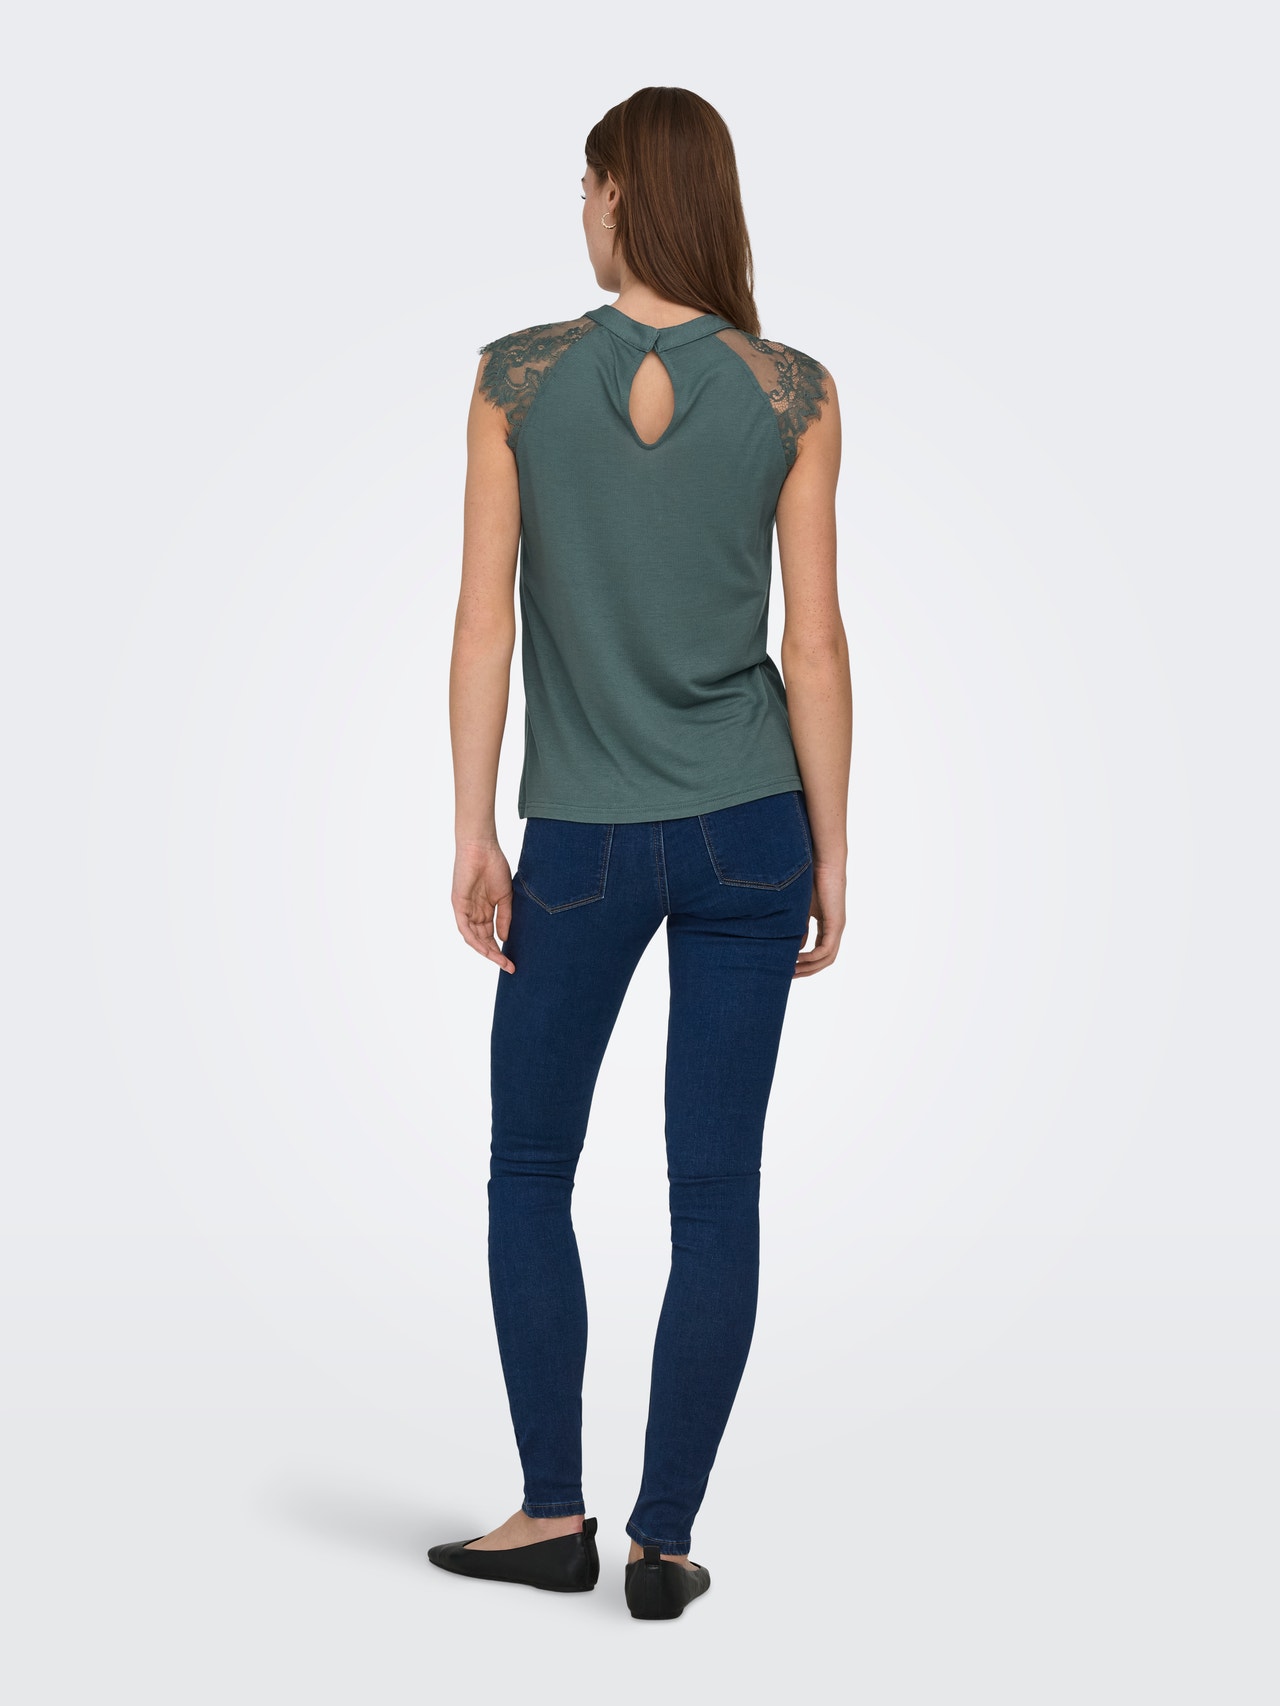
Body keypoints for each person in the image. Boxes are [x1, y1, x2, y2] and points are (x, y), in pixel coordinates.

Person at [431, 85, 850, 1620]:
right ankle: (663, 1545)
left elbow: (484, 621)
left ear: (622, 194)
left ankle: (552, 1512)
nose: (581, 211)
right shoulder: (794, 393)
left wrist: (474, 822)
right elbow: (815, 644)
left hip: (585, 839)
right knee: (715, 1192)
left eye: (587, 185)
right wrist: (832, 847)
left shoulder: (516, 380)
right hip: (751, 832)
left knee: (530, 1167)